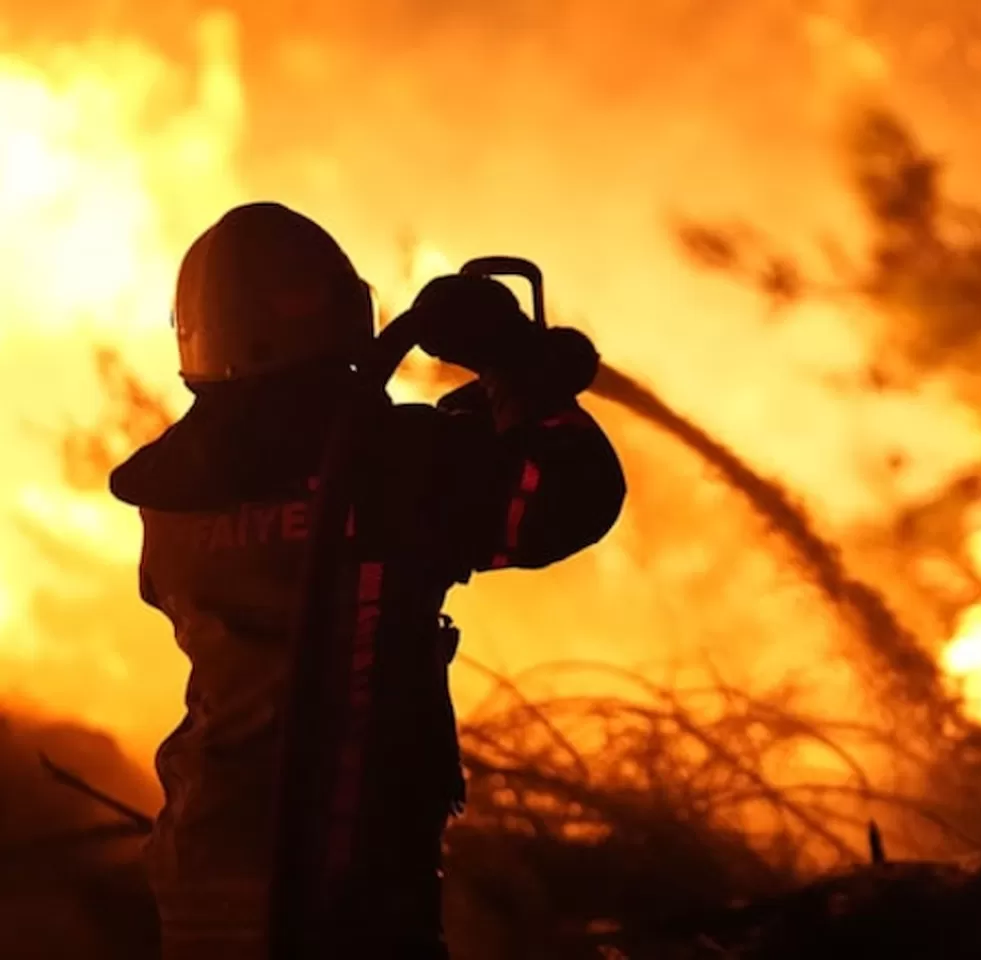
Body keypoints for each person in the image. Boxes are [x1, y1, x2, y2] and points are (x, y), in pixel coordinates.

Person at [109, 202, 626, 959]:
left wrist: (481, 410)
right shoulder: (388, 466)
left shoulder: (175, 494)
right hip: (345, 884)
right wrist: (513, 363)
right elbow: (570, 497)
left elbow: (366, 481)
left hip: (204, 865)